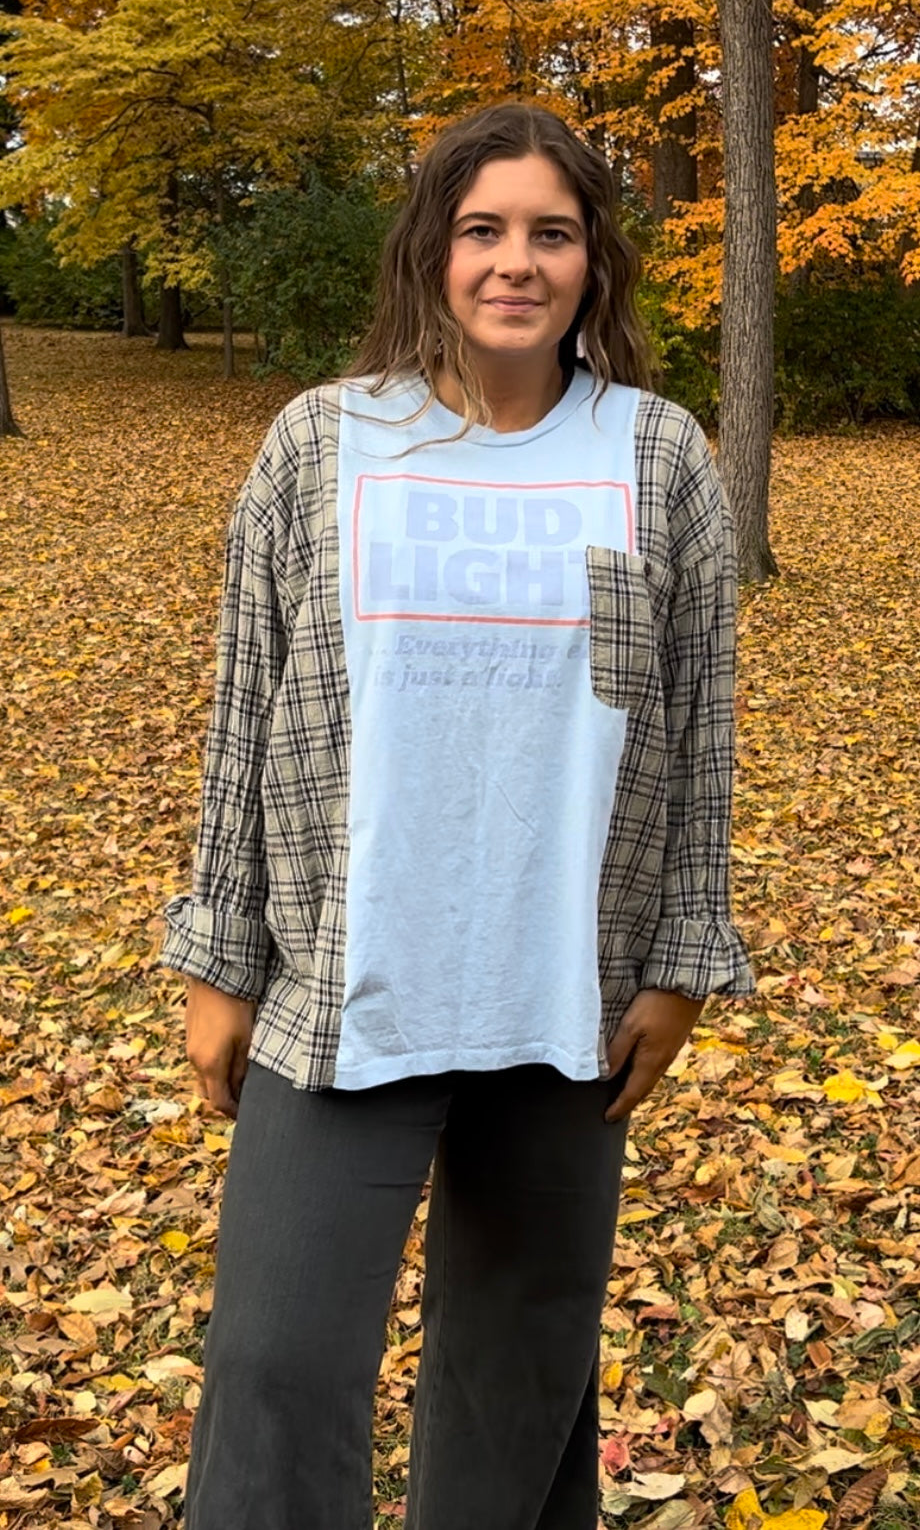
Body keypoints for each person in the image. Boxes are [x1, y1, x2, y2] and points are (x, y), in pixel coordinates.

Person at [157, 102, 754, 1530]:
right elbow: (246, 708)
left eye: (551, 232)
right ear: (433, 249)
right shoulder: (325, 444)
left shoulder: (656, 457)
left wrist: (680, 960)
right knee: (278, 1364)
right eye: (483, 229)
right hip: (340, 992)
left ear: (593, 261)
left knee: (519, 1378)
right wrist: (216, 955)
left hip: (566, 994)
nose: (515, 263)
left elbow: (697, 719)